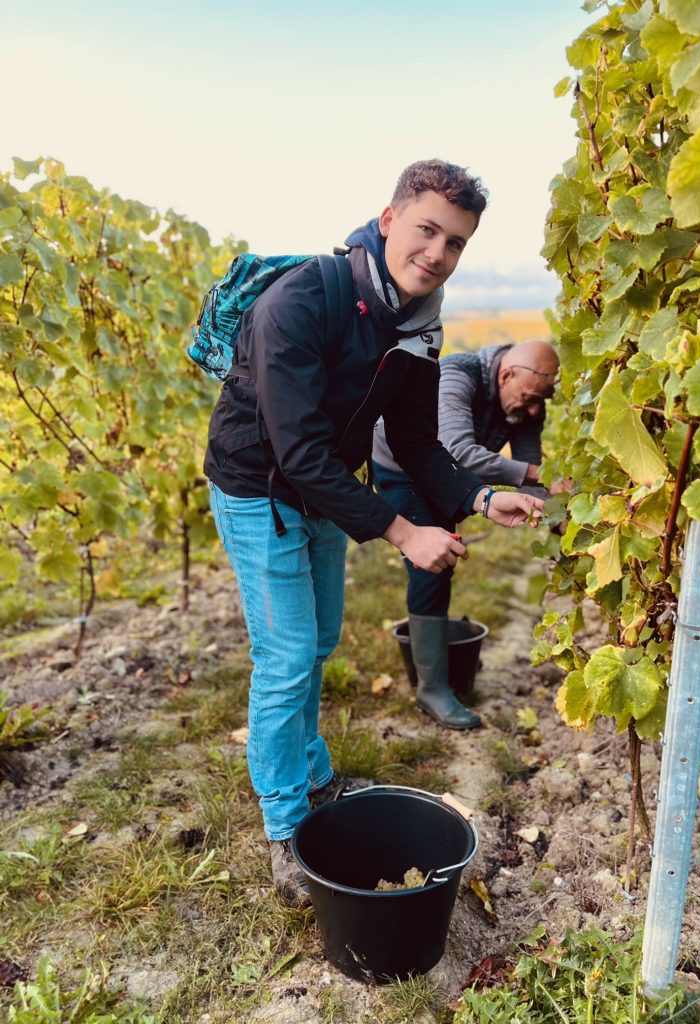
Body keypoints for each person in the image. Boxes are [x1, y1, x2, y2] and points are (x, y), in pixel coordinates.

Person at [203, 159, 543, 907]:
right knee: (287, 657)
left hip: (322, 490)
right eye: (427, 230)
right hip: (259, 487)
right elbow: (296, 453)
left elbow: (419, 442)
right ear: (388, 220)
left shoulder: (417, 323)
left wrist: (480, 500)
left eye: (455, 242)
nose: (437, 253)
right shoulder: (301, 301)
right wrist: (401, 529)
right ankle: (287, 828)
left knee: (318, 642)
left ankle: (315, 773)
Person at [371, 339, 560, 730]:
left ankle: (437, 664)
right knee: (431, 566)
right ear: (506, 375)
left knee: (446, 558)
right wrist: (539, 477)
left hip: (447, 476)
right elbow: (457, 450)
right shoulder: (458, 375)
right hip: (402, 467)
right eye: (530, 397)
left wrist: (560, 518)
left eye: (543, 399)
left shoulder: (526, 402)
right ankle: (432, 688)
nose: (535, 409)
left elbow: (529, 469)